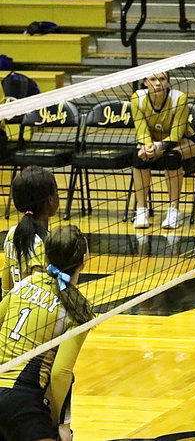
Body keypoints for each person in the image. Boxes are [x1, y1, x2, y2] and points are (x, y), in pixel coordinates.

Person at [0, 225, 93, 441]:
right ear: (82, 262)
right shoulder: (78, 309)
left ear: (46, 254)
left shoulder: (26, 283)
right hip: (22, 401)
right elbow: (60, 374)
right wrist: (55, 421)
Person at [130, 71, 195, 230]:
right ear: (145, 82)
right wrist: (148, 147)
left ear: (168, 82)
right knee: (138, 157)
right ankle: (141, 210)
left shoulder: (179, 98)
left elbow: (176, 135)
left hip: (185, 142)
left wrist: (157, 148)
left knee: (172, 156)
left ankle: (174, 211)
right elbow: (142, 131)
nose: (157, 83)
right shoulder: (138, 98)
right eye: (153, 79)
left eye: (162, 79)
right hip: (153, 143)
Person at [2, 166, 58, 298]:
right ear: (50, 200)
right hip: (37, 315)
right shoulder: (45, 245)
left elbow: (6, 289)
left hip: (14, 312)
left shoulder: (12, 234)